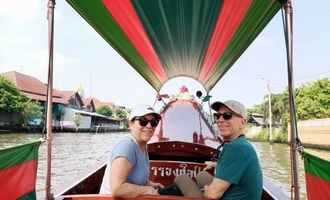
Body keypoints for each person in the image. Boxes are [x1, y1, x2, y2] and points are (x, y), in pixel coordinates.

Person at [175, 100, 263, 200]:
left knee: (182, 178)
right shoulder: (242, 143)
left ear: (242, 122)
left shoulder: (236, 148)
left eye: (227, 115)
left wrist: (207, 190)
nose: (220, 120)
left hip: (218, 196)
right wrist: (216, 164)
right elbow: (235, 163)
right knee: (201, 175)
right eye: (218, 116)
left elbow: (211, 195)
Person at [99, 105, 164, 197]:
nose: (149, 126)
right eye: (143, 121)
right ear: (131, 124)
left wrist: (150, 184)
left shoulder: (143, 146)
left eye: (154, 122)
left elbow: (135, 179)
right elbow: (117, 189)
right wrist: (146, 190)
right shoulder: (127, 146)